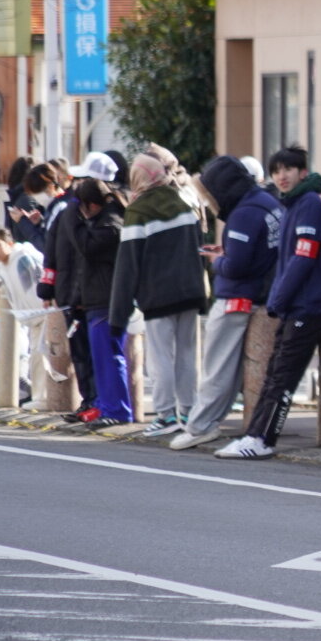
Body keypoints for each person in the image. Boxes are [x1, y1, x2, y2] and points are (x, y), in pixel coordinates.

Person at [215, 147, 321, 459]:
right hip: (295, 303)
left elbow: (303, 258)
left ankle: (263, 440)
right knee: (274, 373)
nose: (282, 176)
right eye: (276, 171)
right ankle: (253, 435)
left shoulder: (309, 204)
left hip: (309, 305)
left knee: (283, 376)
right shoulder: (293, 204)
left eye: (288, 169)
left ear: (302, 171)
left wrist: (278, 298)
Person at [175, 155, 285, 450]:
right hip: (261, 295)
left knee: (217, 366)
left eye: (209, 194)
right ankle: (208, 422)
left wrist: (217, 261)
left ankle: (199, 426)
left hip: (237, 297)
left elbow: (236, 266)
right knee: (228, 368)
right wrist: (228, 252)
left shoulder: (244, 213)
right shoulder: (266, 202)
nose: (209, 202)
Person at [111, 152, 208, 437]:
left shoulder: (138, 211)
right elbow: (200, 250)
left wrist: (118, 315)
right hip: (190, 291)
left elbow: (127, 266)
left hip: (158, 295)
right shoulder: (185, 201)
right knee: (188, 353)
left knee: (161, 356)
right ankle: (189, 411)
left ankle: (166, 415)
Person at [38, 155, 105, 420]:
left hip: (88, 292)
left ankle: (99, 402)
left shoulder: (95, 213)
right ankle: (90, 400)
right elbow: (52, 250)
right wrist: (47, 287)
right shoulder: (68, 211)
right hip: (72, 293)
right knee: (81, 351)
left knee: (94, 351)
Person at [72, 176, 134, 427]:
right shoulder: (104, 222)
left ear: (91, 205)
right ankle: (109, 407)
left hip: (107, 302)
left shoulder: (109, 226)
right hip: (98, 300)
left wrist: (74, 223)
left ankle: (117, 410)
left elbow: (86, 248)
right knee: (103, 358)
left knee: (109, 357)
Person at [0, 227, 47, 405]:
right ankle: (40, 397)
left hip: (43, 312)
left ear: (10, 243)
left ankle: (43, 398)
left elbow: (34, 285)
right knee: (38, 358)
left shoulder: (22, 257)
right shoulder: (7, 265)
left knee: (42, 358)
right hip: (33, 317)